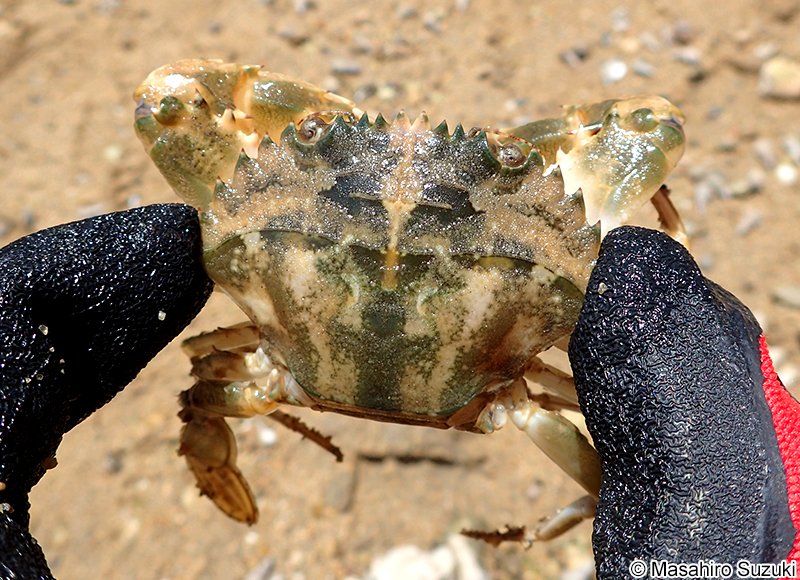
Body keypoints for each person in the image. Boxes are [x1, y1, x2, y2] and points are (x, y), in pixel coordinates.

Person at [0, 209, 796, 579]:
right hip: (500, 400)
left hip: (290, 373)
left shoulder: (252, 338)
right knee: (632, 472)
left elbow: (205, 371)